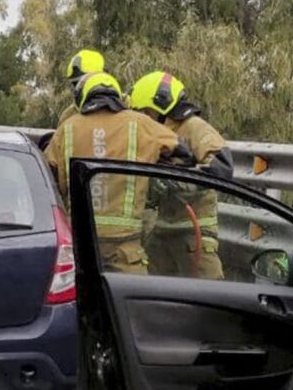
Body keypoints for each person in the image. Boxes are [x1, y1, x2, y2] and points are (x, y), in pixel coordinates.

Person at [44, 71, 190, 275]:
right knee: (133, 304)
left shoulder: (66, 129)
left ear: (82, 98)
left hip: (80, 247)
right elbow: (183, 153)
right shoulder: (141, 124)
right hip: (125, 251)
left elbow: (47, 178)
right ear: (117, 95)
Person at [128, 71, 233, 279]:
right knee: (156, 296)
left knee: (209, 300)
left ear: (160, 106)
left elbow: (222, 167)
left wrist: (178, 182)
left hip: (192, 234)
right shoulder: (156, 132)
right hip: (162, 230)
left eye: (146, 112)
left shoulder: (194, 127)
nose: (144, 118)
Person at [57, 48, 106, 125]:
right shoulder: (68, 116)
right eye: (74, 84)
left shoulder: (123, 108)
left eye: (82, 83)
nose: (77, 89)